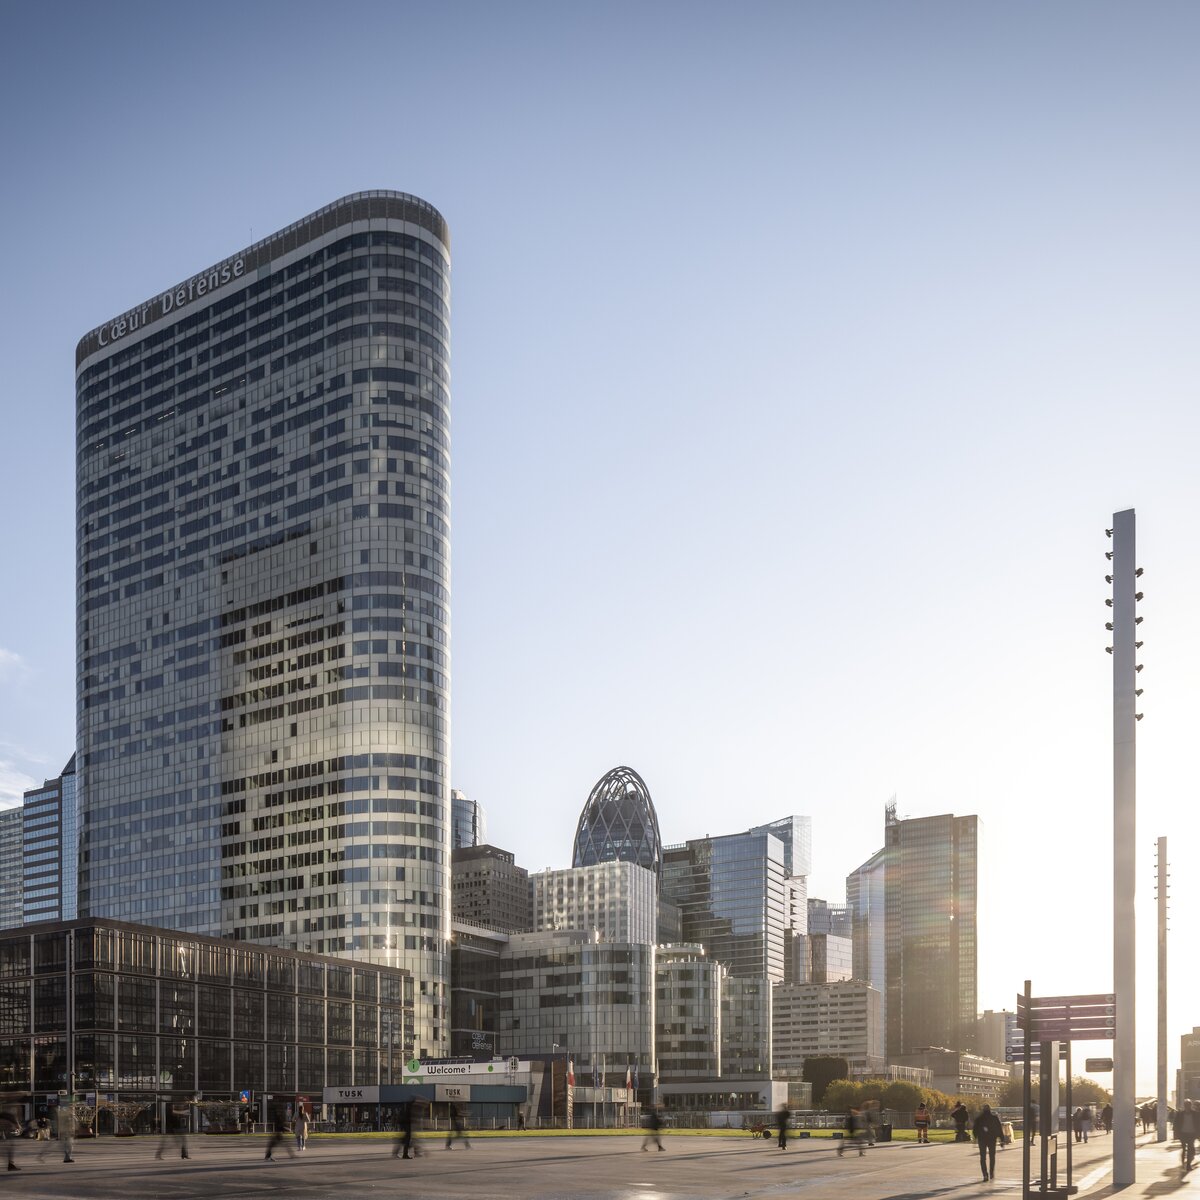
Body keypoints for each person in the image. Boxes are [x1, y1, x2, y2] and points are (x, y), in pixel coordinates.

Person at [973, 1103, 1004, 1182]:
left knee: (983, 1158)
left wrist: (976, 1136)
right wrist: (1002, 1139)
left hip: (982, 1140)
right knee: (992, 1156)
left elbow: (975, 1129)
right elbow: (999, 1129)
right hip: (992, 1139)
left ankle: (985, 1174)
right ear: (990, 1110)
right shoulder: (994, 1118)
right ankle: (991, 1172)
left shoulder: (979, 1119)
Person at [1178, 1100, 1197, 1173]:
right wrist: (1177, 1135)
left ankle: (1188, 1165)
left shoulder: (1195, 1114)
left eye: (1188, 1105)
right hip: (1183, 1134)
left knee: (1190, 1149)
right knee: (1183, 1149)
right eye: (1186, 1105)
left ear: (1190, 1105)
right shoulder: (1180, 1114)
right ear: (1184, 1106)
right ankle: (1183, 1163)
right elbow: (1176, 1124)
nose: (1187, 1106)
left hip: (1191, 1134)